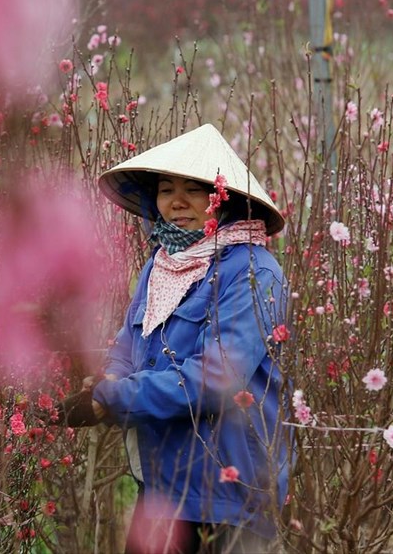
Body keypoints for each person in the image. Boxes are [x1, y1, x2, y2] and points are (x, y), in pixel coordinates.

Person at [72, 124, 293, 553]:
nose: (176, 203)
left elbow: (217, 377)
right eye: (166, 189)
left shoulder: (254, 271)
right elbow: (127, 346)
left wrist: (115, 397)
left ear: (224, 199)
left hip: (228, 490)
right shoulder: (161, 266)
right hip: (161, 483)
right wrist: (107, 382)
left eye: (194, 190)